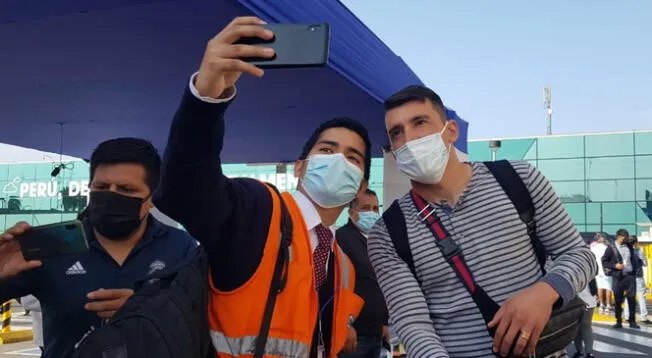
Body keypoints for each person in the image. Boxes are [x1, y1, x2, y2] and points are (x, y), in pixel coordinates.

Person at [153, 17, 366, 358]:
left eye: (353, 158)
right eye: (326, 150)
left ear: (361, 186)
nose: (339, 160)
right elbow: (184, 190)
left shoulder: (343, 265)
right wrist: (206, 98)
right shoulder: (259, 210)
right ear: (300, 167)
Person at [368, 85, 598, 357]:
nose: (409, 139)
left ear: (450, 131)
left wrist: (544, 292)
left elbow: (579, 255)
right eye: (396, 133)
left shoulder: (519, 179)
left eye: (420, 122)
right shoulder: (388, 233)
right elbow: (413, 325)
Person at [0, 138, 199, 357]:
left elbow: (200, 319)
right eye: (102, 187)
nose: (111, 195)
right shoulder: (50, 246)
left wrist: (146, 311)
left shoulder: (180, 247)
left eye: (126, 189)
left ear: (150, 198)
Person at [336, 189, 390, 358]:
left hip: (375, 332)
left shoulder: (378, 239)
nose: (372, 213)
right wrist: (345, 325)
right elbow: (336, 284)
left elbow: (379, 283)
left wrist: (384, 323)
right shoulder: (342, 238)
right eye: (365, 208)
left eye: (375, 208)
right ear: (352, 212)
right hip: (354, 335)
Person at [601, 229, 641, 329]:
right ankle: (618, 321)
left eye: (626, 238)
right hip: (618, 277)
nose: (626, 240)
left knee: (632, 299)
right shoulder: (611, 248)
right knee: (618, 300)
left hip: (630, 276)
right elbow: (604, 261)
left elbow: (632, 258)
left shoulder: (628, 245)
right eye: (624, 238)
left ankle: (632, 321)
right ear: (619, 237)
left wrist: (635, 269)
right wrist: (615, 266)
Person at [623, 235, 650, 324]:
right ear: (636, 242)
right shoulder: (639, 251)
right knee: (641, 297)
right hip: (638, 277)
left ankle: (627, 316)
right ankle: (643, 317)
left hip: (627, 277)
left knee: (628, 297)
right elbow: (645, 264)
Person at [571, 280, 598, 358]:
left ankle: (589, 352)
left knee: (585, 325)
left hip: (588, 299)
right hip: (573, 299)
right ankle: (579, 351)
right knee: (576, 326)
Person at [591, 233, 613, 313]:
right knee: (608, 288)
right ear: (604, 239)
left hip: (597, 271)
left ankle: (601, 305)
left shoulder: (593, 248)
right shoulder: (607, 248)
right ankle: (608, 305)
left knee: (600, 288)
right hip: (607, 270)